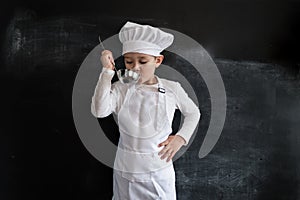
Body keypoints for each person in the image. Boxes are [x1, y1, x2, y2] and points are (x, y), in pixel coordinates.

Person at [91, 21, 200, 200]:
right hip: (126, 168)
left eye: (143, 61)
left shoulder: (173, 88)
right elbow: (99, 111)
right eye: (128, 61)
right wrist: (106, 72)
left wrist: (181, 138)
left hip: (158, 170)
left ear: (157, 60)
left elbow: (193, 113)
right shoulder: (120, 88)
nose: (135, 67)